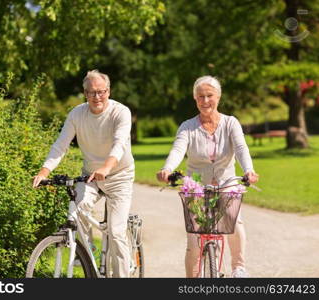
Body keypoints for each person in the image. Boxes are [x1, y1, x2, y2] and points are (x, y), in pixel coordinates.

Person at [33, 70, 135, 278]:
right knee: (77, 210)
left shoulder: (120, 112)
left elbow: (119, 144)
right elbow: (60, 145)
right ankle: (87, 257)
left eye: (101, 92)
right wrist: (44, 171)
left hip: (119, 175)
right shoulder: (77, 114)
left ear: (108, 91)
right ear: (84, 93)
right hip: (90, 175)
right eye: (91, 92)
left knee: (116, 233)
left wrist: (106, 167)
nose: (97, 97)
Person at [156, 75, 259, 278]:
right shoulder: (187, 127)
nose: (205, 101)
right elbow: (178, 150)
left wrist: (249, 170)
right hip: (195, 186)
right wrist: (167, 169)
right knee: (194, 240)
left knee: (234, 219)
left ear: (218, 97)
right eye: (200, 97)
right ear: (195, 99)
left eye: (209, 96)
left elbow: (240, 148)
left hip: (226, 183)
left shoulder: (230, 123)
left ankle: (238, 268)